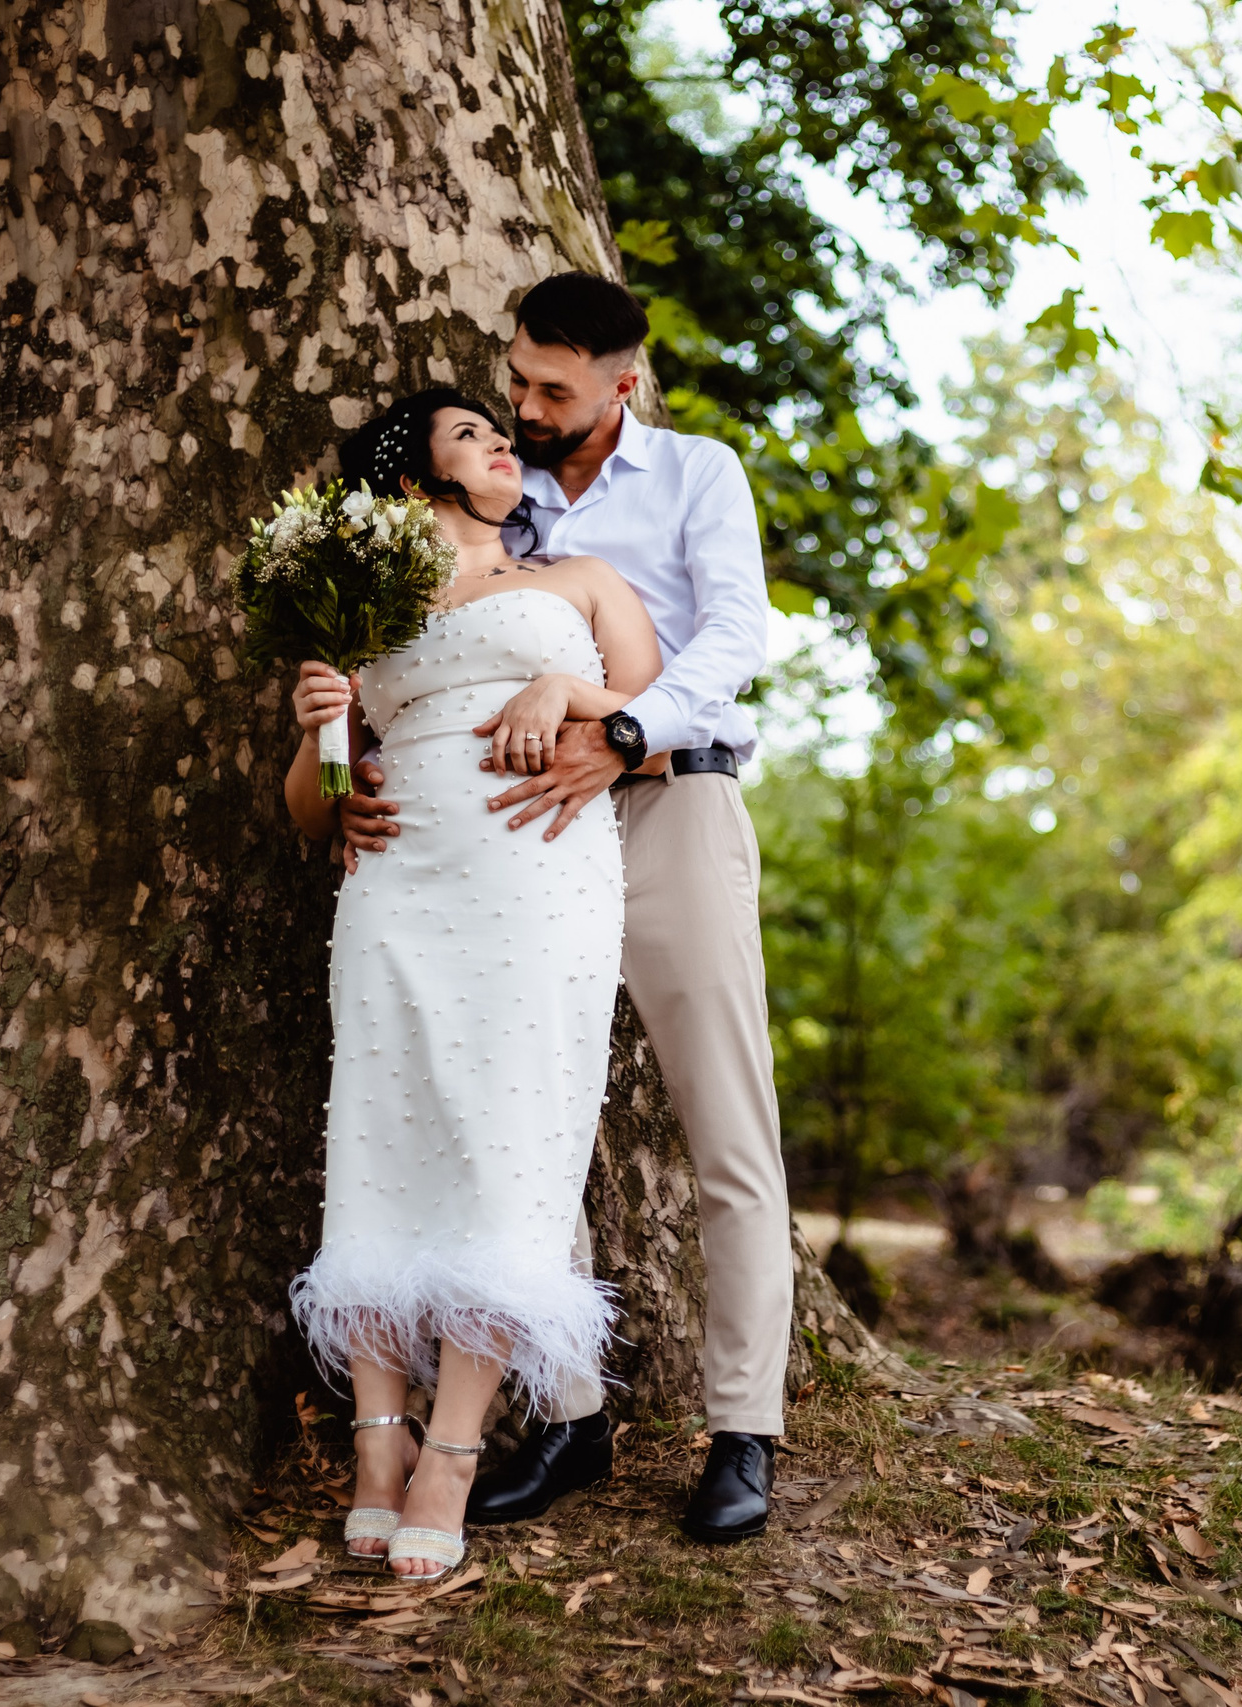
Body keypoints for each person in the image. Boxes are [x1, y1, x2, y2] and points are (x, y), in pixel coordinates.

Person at [338, 272, 791, 1544]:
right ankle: (576, 1416)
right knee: (518, 1117)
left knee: (726, 1130)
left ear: (620, 382)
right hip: (519, 840)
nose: (526, 408)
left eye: (552, 389)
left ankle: (742, 1428)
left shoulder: (698, 475)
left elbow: (734, 640)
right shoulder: (498, 495)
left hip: (670, 805)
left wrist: (621, 729)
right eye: (517, 382)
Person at [281, 387, 665, 1579]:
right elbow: (315, 816)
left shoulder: (583, 582)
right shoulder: (361, 614)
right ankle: (377, 1446)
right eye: (470, 435)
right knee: (384, 1143)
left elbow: (667, 708)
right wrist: (317, 733)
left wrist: (568, 692)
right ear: (411, 482)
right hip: (397, 892)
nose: (505, 440)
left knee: (514, 1143)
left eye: (503, 430)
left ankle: (453, 1452)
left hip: (539, 879)